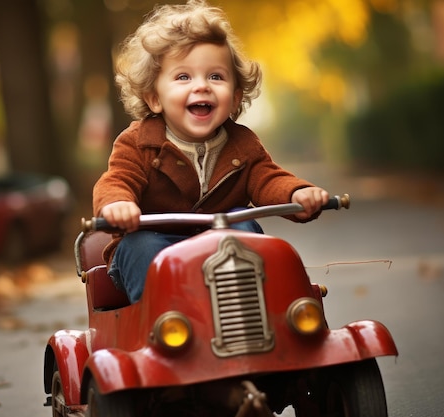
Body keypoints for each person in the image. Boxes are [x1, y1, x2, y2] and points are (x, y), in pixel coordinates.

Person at [93, 0, 329, 303]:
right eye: (183, 77)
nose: (202, 86)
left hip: (222, 247)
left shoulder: (242, 144)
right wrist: (117, 205)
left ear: (234, 98)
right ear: (154, 98)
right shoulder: (138, 142)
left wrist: (297, 194)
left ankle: (250, 310)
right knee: (139, 245)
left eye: (216, 76)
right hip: (155, 243)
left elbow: (267, 179)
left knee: (241, 220)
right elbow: (117, 180)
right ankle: (164, 326)